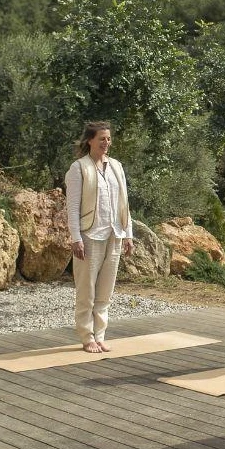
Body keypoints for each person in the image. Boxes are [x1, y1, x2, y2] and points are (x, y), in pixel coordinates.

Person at [64, 121, 135, 354]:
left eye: (109, 139)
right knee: (87, 290)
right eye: (102, 138)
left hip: (114, 234)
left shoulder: (116, 166)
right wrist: (76, 238)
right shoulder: (78, 168)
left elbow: (124, 203)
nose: (106, 143)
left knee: (105, 290)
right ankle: (87, 336)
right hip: (90, 235)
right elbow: (72, 207)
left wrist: (128, 235)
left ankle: (101, 334)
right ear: (90, 140)